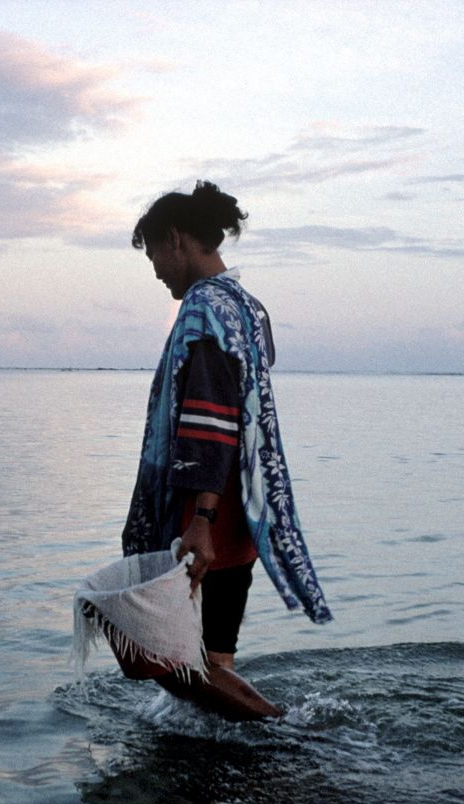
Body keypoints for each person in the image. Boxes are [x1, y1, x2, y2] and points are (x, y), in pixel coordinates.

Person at [120, 181, 333, 720]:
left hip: (207, 513)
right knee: (215, 657)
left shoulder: (202, 310)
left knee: (161, 657)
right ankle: (219, 769)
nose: (157, 272)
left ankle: (285, 734)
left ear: (176, 241)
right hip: (245, 511)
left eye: (154, 257)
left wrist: (200, 522)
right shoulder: (248, 307)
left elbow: (211, 417)